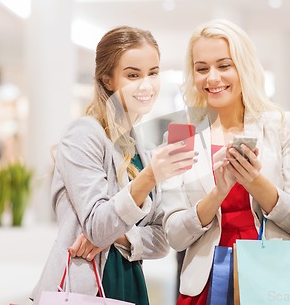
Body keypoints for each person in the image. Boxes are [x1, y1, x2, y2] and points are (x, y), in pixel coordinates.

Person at [31, 26, 197, 305]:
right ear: (108, 79)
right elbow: (97, 226)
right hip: (84, 288)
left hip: (128, 284)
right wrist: (150, 176)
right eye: (133, 75)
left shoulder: (138, 148)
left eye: (153, 73)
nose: (146, 85)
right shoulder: (85, 133)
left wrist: (120, 237)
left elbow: (160, 240)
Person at [160, 19, 290, 304]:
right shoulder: (182, 135)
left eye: (224, 65)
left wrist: (255, 182)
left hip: (272, 279)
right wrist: (218, 193)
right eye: (202, 68)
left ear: (243, 67)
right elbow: (175, 236)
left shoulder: (280, 125)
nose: (213, 78)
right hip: (204, 286)